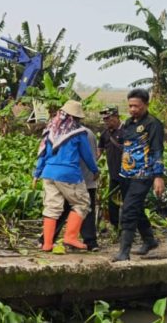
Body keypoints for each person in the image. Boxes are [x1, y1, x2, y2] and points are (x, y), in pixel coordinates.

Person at [34, 100, 99, 252]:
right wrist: (95, 170)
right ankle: (70, 237)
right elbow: (87, 155)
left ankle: (47, 244)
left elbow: (42, 153)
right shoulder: (78, 132)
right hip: (68, 174)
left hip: (48, 174)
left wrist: (37, 173)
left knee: (52, 207)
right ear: (76, 118)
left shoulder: (51, 130)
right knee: (82, 203)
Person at [112, 89, 167, 263]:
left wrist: (158, 176)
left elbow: (158, 150)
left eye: (136, 106)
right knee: (135, 208)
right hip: (126, 174)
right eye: (130, 106)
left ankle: (124, 252)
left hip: (144, 174)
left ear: (146, 105)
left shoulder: (153, 124)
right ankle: (149, 240)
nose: (133, 109)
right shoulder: (128, 123)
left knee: (128, 210)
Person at [98, 106, 124, 226]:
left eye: (108, 118)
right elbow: (99, 152)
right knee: (112, 202)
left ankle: (128, 227)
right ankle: (115, 226)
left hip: (128, 175)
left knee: (128, 202)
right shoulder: (105, 134)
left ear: (116, 117)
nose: (106, 121)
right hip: (114, 175)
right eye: (104, 119)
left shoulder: (127, 131)